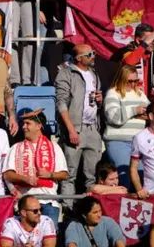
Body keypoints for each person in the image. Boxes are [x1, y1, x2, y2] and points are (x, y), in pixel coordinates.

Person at [56, 43, 103, 204]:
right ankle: (68, 210)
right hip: (75, 128)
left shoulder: (94, 74)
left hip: (92, 128)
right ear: (79, 59)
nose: (93, 56)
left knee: (92, 176)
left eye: (93, 52)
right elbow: (61, 103)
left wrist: (99, 100)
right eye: (90, 54)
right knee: (69, 174)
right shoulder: (66, 74)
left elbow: (95, 102)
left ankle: (92, 211)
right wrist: (70, 130)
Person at [3, 110, 68, 224]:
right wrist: (25, 178)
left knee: (49, 240)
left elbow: (64, 174)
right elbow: (7, 174)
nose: (23, 127)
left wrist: (50, 175)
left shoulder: (54, 147)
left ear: (39, 126)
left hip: (49, 202)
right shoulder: (16, 147)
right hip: (25, 203)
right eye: (23, 124)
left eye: (28, 123)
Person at [103, 64, 148, 187]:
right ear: (122, 79)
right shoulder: (112, 93)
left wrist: (141, 114)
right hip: (118, 141)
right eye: (130, 81)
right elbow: (114, 117)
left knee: (141, 176)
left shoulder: (140, 94)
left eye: (136, 81)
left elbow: (148, 113)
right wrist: (135, 111)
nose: (133, 84)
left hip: (138, 142)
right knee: (124, 176)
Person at [118, 23, 154, 100]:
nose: (153, 43)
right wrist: (144, 45)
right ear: (138, 40)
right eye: (149, 40)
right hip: (132, 97)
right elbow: (128, 64)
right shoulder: (128, 51)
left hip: (153, 100)